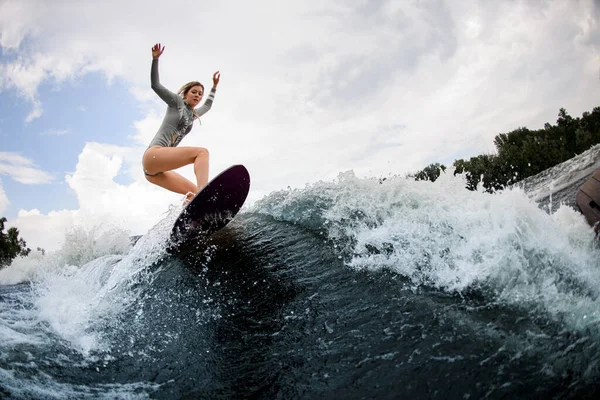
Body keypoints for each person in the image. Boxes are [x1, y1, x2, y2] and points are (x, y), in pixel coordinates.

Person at [142, 43, 220, 205]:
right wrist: (155, 59)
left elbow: (208, 106)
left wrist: (213, 87)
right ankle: (204, 192)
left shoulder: (193, 115)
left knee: (193, 194)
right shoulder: (176, 102)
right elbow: (155, 85)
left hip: (155, 173)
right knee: (202, 153)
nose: (198, 96)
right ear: (185, 94)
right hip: (153, 155)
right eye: (194, 92)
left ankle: (188, 220)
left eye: (200, 94)